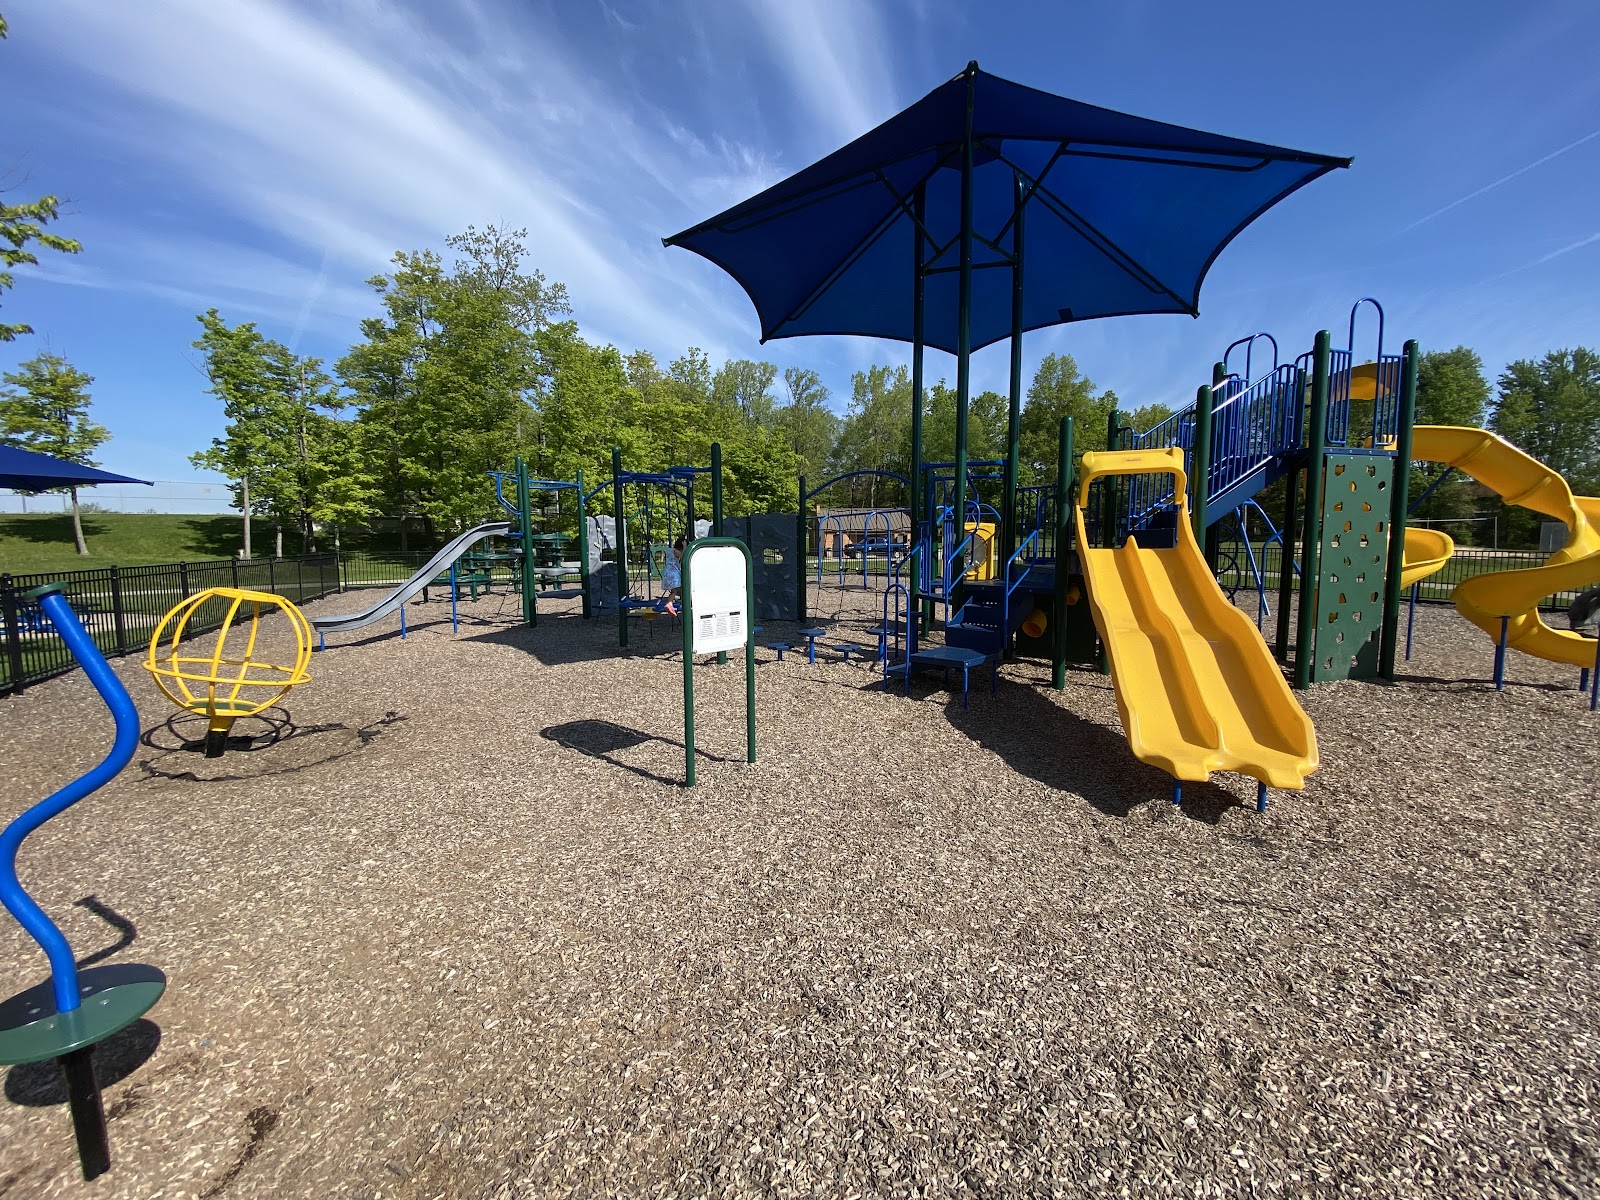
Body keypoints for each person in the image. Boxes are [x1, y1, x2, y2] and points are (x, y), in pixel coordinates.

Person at [660, 536, 685, 616]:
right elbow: (684, 556)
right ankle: (669, 603)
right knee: (676, 591)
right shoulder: (676, 551)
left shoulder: (669, 550)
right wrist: (685, 546)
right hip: (673, 574)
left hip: (667, 573)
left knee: (674, 590)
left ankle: (670, 603)